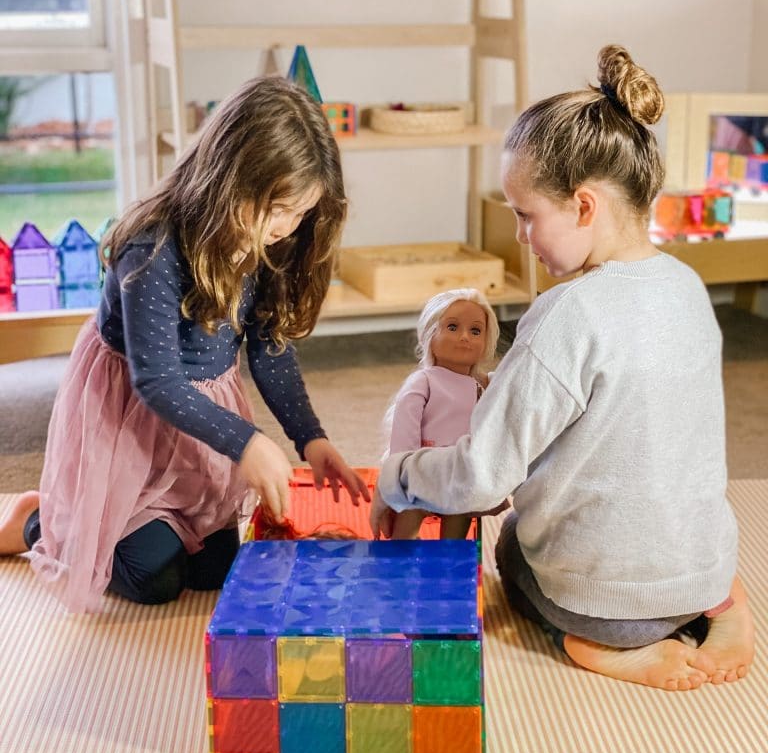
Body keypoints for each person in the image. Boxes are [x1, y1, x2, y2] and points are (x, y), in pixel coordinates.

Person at [372, 44, 755, 691]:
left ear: (583, 206)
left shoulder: (563, 316)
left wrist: (396, 476)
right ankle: (725, 604)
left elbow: (478, 479)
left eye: (526, 215)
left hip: (600, 608)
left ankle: (602, 647)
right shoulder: (689, 288)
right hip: (699, 576)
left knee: (511, 548)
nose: (521, 235)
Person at [0, 76, 370, 613]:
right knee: (155, 581)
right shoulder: (152, 245)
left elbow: (269, 349)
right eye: (279, 209)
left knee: (217, 569)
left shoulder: (273, 241)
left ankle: (148, 520)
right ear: (231, 180)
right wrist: (248, 442)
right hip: (134, 411)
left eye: (300, 213)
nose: (286, 228)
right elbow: (158, 382)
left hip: (197, 417)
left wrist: (309, 438)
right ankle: (38, 519)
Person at [384, 289, 499, 539]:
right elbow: (405, 430)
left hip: (461, 473)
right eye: (453, 327)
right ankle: (399, 558)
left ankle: (451, 563)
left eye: (476, 331)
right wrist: (399, 471)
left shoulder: (486, 385)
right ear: (430, 335)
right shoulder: (423, 382)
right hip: (423, 469)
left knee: (459, 518)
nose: (465, 337)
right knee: (408, 518)